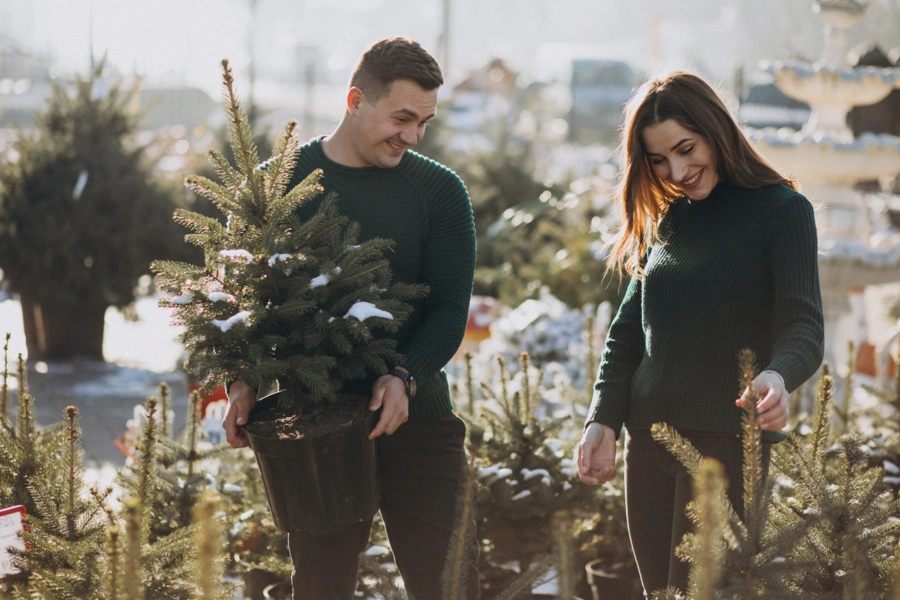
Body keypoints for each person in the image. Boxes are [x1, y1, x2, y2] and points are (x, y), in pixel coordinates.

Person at [222, 37, 480, 600]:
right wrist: (242, 382)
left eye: (424, 123)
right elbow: (240, 300)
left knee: (449, 586)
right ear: (355, 99)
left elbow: (448, 310)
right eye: (402, 118)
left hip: (419, 420)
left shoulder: (439, 192)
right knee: (321, 587)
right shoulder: (278, 184)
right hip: (313, 426)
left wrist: (404, 375)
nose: (412, 136)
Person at [576, 71, 824, 596]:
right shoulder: (670, 219)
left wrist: (779, 376)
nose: (678, 171)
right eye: (659, 160)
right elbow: (628, 333)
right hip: (647, 445)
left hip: (725, 447)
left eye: (687, 149)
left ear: (716, 130)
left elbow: (802, 321)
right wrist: (603, 418)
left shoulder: (783, 212)